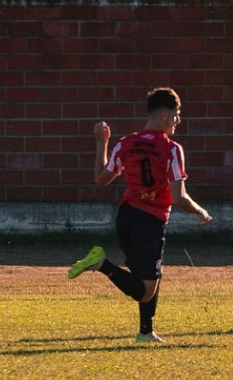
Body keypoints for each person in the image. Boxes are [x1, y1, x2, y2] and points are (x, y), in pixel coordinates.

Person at [67, 87, 213, 343]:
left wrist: (101, 141)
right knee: (145, 291)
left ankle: (146, 331)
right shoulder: (171, 149)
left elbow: (101, 179)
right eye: (176, 114)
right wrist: (200, 211)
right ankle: (101, 264)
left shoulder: (126, 142)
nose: (178, 120)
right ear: (164, 116)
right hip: (149, 220)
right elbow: (179, 197)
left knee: (153, 275)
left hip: (126, 216)